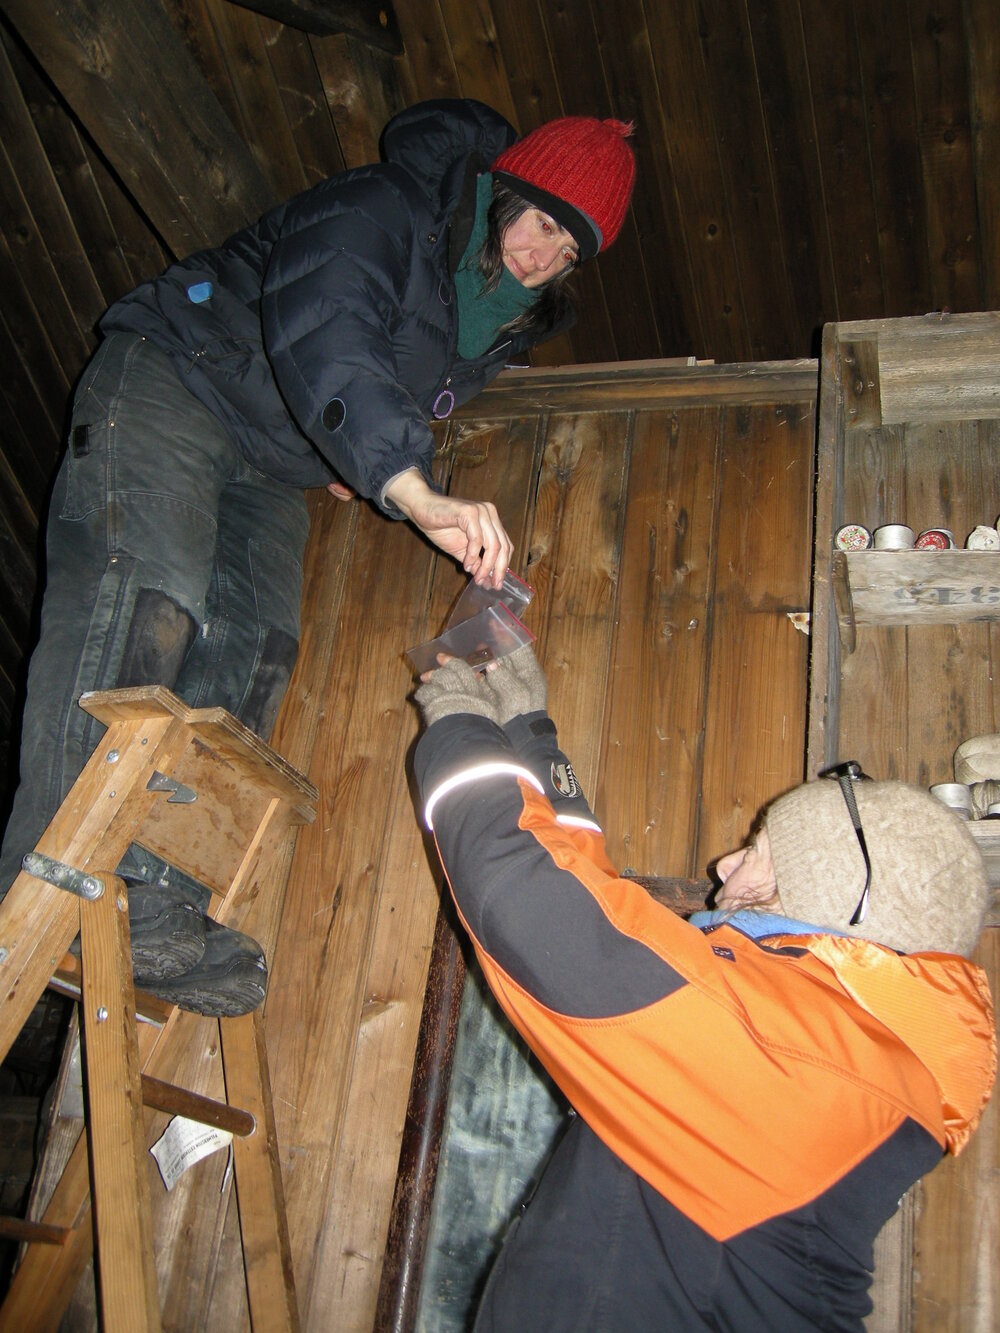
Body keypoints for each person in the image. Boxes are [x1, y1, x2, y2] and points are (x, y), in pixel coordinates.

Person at [0, 101, 636, 1015]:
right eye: (544, 225)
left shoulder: (495, 328)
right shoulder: (386, 206)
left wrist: (359, 467)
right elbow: (329, 327)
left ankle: (157, 900)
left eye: (569, 253)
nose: (543, 259)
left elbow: (382, 385)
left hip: (270, 463)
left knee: (257, 649)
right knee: (151, 601)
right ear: (510, 190)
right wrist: (407, 485)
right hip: (178, 375)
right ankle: (61, 869)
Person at [413, 646, 996, 1331]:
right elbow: (598, 905)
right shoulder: (842, 1052)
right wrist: (530, 733)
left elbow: (531, 897)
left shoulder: (803, 1063)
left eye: (757, 851)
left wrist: (459, 725)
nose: (724, 861)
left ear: (833, 902)